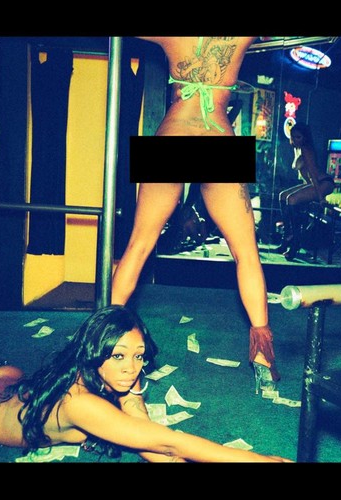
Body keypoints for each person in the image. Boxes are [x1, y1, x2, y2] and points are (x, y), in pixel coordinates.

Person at [0, 305, 291, 462]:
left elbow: (145, 435)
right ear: (95, 351)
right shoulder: (81, 404)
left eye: (139, 356)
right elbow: (168, 442)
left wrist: (134, 393)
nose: (131, 368)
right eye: (118, 356)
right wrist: (263, 461)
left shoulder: (101, 373)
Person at [111, 36, 281, 395]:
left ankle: (101, 345)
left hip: (173, 135)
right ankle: (263, 360)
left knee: (138, 246)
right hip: (218, 136)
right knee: (246, 253)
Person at [275, 122, 335, 260]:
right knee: (283, 196)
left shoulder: (307, 149)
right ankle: (288, 234)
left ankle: (295, 241)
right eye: (293, 137)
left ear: (305, 137)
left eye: (299, 137)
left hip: (323, 183)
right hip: (312, 182)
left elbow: (313, 174)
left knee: (291, 199)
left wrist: (321, 198)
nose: (295, 140)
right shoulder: (298, 149)